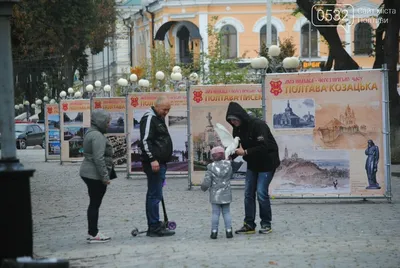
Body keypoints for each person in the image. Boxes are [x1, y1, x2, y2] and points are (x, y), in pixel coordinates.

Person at [225, 102, 280, 235]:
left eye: (235, 119)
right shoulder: (236, 129)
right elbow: (237, 147)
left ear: (241, 116)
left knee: (261, 193)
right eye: (230, 120)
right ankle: (249, 224)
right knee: (248, 194)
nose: (233, 122)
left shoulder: (258, 125)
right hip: (253, 164)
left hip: (267, 163)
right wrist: (228, 155)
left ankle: (266, 224)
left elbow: (263, 147)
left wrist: (246, 152)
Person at [139, 95, 175, 237]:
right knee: (155, 195)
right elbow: (145, 141)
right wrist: (153, 159)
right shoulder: (150, 118)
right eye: (165, 109)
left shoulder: (158, 117)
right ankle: (153, 226)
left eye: (168, 110)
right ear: (157, 106)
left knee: (155, 194)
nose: (166, 112)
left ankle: (154, 223)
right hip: (154, 164)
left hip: (160, 163)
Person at [79, 109, 113, 243]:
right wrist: (105, 176)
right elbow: (99, 158)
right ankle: (94, 233)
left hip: (88, 172)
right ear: (101, 121)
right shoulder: (97, 136)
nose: (109, 124)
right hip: (94, 174)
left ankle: (92, 231)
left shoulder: (90, 132)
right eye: (107, 121)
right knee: (94, 204)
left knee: (93, 203)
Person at [201, 146, 234, 239]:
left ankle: (214, 232)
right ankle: (229, 231)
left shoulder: (210, 167)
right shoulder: (228, 165)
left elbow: (207, 181)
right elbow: (230, 175)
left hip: (215, 194)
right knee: (227, 213)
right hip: (226, 193)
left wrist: (203, 188)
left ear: (213, 156)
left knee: (215, 213)